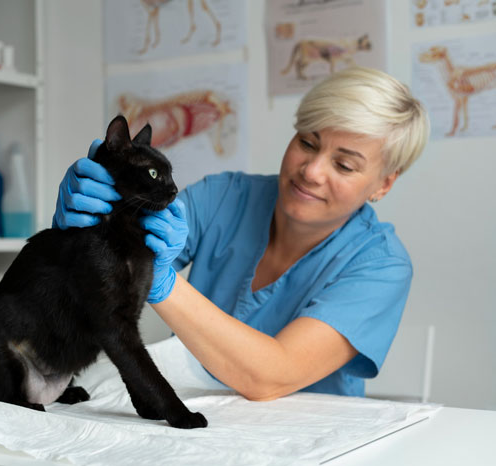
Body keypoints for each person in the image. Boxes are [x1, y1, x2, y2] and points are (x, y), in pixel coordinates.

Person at [52, 67, 429, 400]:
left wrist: (159, 280)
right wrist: (78, 230)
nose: (312, 171)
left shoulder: (381, 265)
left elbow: (271, 377)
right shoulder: (222, 197)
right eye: (307, 143)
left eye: (344, 165)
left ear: (384, 184)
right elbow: (83, 283)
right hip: (193, 418)